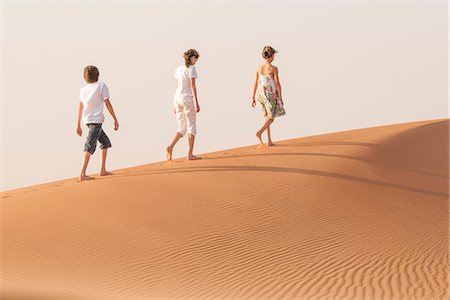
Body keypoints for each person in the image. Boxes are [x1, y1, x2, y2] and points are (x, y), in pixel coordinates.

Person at [76, 65, 119, 181]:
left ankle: (102, 170)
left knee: (105, 142)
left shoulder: (83, 90)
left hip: (90, 121)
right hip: (95, 121)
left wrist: (78, 125)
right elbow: (107, 103)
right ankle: (82, 174)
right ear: (97, 75)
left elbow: (80, 107)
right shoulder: (101, 86)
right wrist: (115, 118)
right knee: (89, 145)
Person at [166, 49, 201, 161]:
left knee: (182, 128)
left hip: (177, 99)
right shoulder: (192, 69)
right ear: (191, 58)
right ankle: (190, 154)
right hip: (187, 99)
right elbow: (192, 85)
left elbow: (177, 87)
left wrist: (174, 103)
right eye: (196, 58)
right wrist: (197, 102)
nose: (196, 61)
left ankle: (170, 147)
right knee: (191, 127)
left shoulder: (179, 69)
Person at [251, 46, 285, 147]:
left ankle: (269, 141)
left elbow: (255, 83)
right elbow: (277, 83)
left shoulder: (258, 68)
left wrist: (252, 97)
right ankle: (259, 132)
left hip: (260, 94)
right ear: (271, 56)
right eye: (273, 55)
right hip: (269, 95)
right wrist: (281, 97)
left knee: (266, 117)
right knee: (271, 117)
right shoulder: (274, 69)